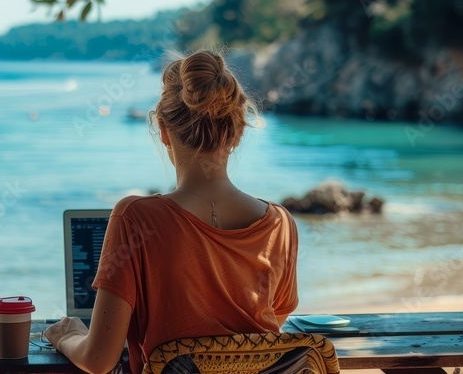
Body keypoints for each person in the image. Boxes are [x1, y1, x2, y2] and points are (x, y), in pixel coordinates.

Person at [45, 50, 299, 374]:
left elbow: (99, 359)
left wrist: (68, 335)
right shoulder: (280, 224)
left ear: (163, 130)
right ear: (237, 133)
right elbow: (259, 339)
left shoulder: (135, 217)